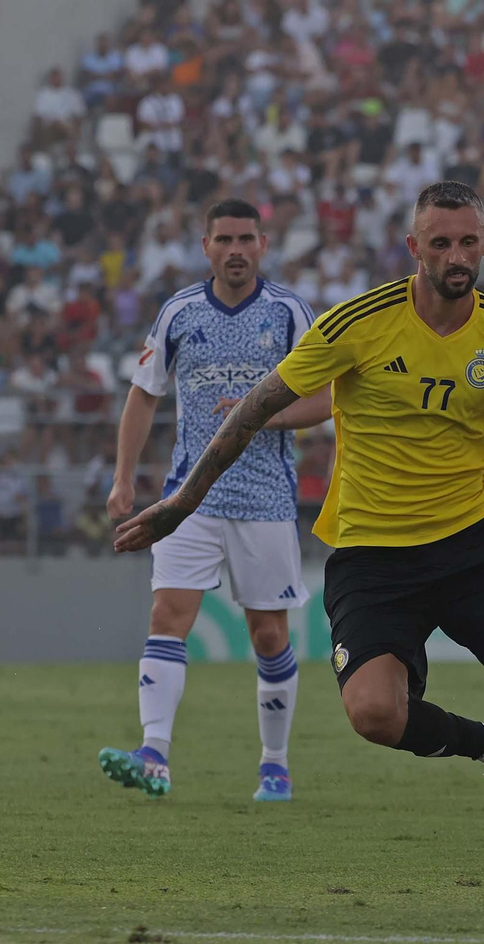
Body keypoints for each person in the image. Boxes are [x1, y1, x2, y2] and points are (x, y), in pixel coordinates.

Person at [114, 182, 484, 843]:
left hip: (475, 542)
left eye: (468, 242)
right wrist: (182, 502)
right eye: (440, 243)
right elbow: (258, 406)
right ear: (414, 248)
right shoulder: (358, 322)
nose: (455, 255)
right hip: (372, 552)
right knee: (375, 714)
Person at [98, 199, 329, 803]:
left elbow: (327, 397)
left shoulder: (287, 313)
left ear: (262, 244)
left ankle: (274, 765)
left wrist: (261, 416)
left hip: (266, 501)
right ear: (205, 246)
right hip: (187, 499)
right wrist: (124, 477)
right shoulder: (178, 312)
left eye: (245, 239)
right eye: (223, 238)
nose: (235, 249)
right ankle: (154, 754)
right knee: (167, 619)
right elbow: (144, 394)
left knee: (269, 636)